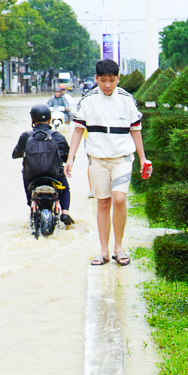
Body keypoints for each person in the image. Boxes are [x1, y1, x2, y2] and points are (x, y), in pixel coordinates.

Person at [65, 58, 149, 266]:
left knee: (119, 199)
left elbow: (136, 131)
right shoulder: (88, 100)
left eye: (112, 80)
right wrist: (70, 159)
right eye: (103, 80)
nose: (108, 85)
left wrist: (143, 158)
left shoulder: (127, 99)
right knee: (102, 202)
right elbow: (78, 130)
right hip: (98, 160)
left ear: (118, 78)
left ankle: (118, 248)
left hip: (122, 159)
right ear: (96, 79)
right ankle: (103, 251)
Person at [12, 104, 73, 225]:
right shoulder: (58, 136)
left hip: (32, 177)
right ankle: (65, 212)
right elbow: (69, 157)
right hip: (55, 176)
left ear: (32, 119)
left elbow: (15, 154)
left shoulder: (26, 136)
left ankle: (31, 203)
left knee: (24, 175)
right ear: (50, 119)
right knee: (65, 189)